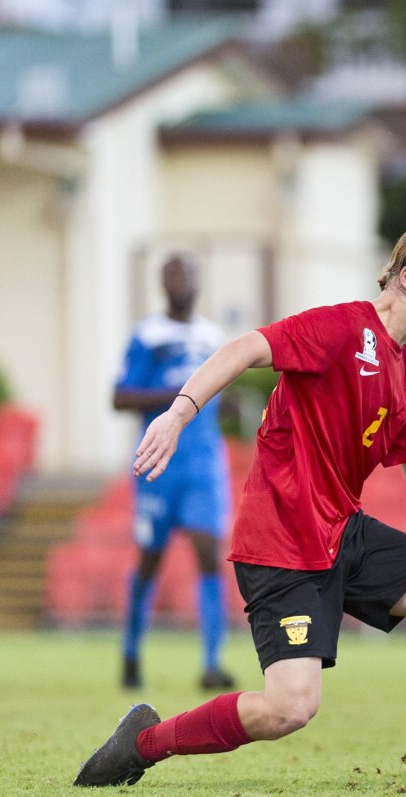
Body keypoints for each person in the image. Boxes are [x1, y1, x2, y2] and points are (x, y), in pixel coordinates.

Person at [75, 220, 406, 791]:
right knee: (289, 709)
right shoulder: (339, 328)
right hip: (282, 542)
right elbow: (244, 348)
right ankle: (142, 743)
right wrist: (180, 412)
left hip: (343, 532)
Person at [112, 254, 234, 692]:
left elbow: (223, 389)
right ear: (163, 283)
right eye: (173, 273)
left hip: (202, 463)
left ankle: (212, 661)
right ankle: (130, 653)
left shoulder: (213, 336)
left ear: (198, 281)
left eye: (187, 272)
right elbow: (119, 397)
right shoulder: (148, 335)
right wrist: (181, 395)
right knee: (150, 558)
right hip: (158, 463)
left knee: (208, 552)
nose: (181, 279)